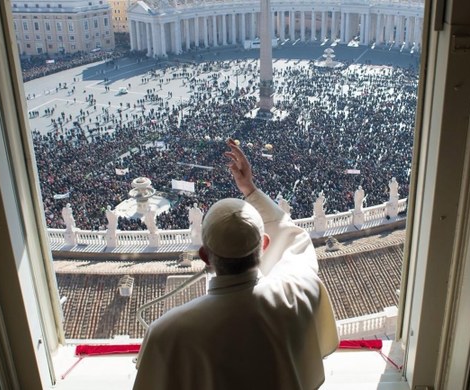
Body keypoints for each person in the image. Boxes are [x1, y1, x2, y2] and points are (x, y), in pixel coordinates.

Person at [133, 139, 339, 390]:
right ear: (264, 244)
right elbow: (295, 237)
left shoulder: (166, 334)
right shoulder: (300, 291)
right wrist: (249, 189)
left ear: (205, 256)